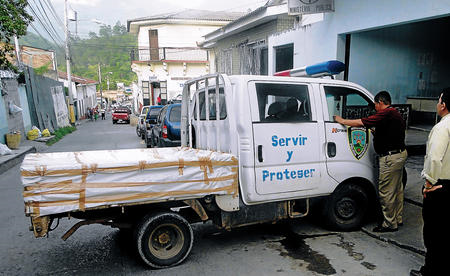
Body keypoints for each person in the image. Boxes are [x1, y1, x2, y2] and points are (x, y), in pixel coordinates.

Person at [334, 91, 407, 232]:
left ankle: (389, 224)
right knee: (397, 190)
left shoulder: (386, 113)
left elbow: (361, 122)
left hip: (389, 158)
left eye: (375, 104)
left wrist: (342, 121)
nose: (375, 108)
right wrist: (376, 132)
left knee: (386, 192)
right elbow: (390, 132)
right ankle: (398, 218)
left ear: (380, 102)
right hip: (399, 155)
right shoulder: (395, 113)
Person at [410, 88, 450, 276]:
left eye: (439, 100)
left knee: (434, 233)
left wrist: (428, 185)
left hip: (440, 185)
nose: (437, 103)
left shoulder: (443, 127)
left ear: (443, 105)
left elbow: (434, 158)